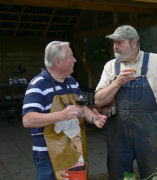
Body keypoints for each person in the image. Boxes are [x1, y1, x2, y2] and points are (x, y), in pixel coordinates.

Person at [94, 25, 157, 179]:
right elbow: (99, 100)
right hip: (118, 135)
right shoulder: (111, 66)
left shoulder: (155, 61)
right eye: (114, 42)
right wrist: (117, 83)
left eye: (120, 42)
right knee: (118, 175)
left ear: (134, 43)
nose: (115, 46)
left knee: (153, 175)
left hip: (148, 135)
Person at [22, 41, 107, 180]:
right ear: (58, 61)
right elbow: (28, 119)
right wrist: (62, 115)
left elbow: (82, 108)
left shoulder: (72, 82)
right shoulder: (38, 84)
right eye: (71, 56)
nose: (75, 60)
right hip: (48, 156)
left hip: (75, 152)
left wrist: (93, 118)